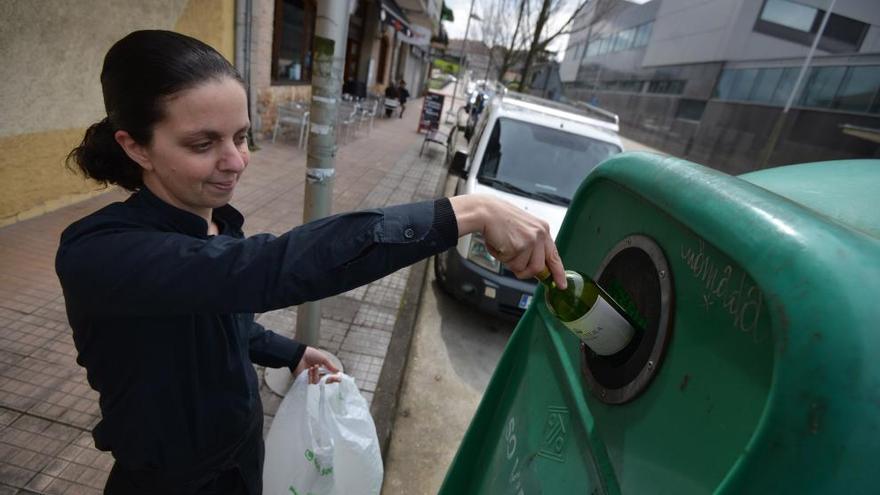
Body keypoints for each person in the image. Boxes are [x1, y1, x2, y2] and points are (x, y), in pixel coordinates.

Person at [56, 30, 566, 495]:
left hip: (242, 462)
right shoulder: (100, 253)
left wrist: (292, 352)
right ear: (135, 146)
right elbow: (267, 269)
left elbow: (220, 319)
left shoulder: (217, 224)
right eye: (203, 143)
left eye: (241, 136)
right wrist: (466, 211)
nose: (235, 161)